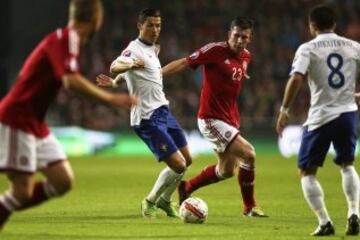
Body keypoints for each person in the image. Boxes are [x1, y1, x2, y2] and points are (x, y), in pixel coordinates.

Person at [0, 0, 137, 230]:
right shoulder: (66, 38)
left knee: (61, 181)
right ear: (96, 19)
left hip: (35, 123)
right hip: (18, 119)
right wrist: (111, 99)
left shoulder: (66, 40)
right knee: (21, 191)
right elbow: (70, 81)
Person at [161, 17, 267, 217]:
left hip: (230, 119)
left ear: (250, 38)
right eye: (236, 35)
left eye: (244, 37)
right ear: (229, 34)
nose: (239, 40)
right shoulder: (214, 50)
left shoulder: (246, 57)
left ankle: (187, 187)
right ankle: (250, 207)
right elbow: (185, 62)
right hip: (211, 119)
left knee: (226, 171)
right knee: (249, 153)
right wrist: (157, 74)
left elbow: (234, 76)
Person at [96, 8, 192, 219]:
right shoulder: (133, 49)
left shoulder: (153, 49)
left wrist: (115, 83)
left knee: (187, 160)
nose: (155, 29)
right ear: (139, 26)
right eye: (150, 25)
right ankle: (149, 202)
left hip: (164, 112)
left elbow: (127, 75)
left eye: (158, 25)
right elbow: (115, 65)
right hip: (147, 119)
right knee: (178, 165)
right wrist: (127, 65)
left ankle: (166, 202)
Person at [276, 5, 360, 236]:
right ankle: (354, 212)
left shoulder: (307, 48)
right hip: (348, 114)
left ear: (312, 25)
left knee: (307, 171)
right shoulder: (354, 46)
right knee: (347, 164)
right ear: (334, 24)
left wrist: (284, 109)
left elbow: (296, 79)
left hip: (321, 116)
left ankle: (325, 222)